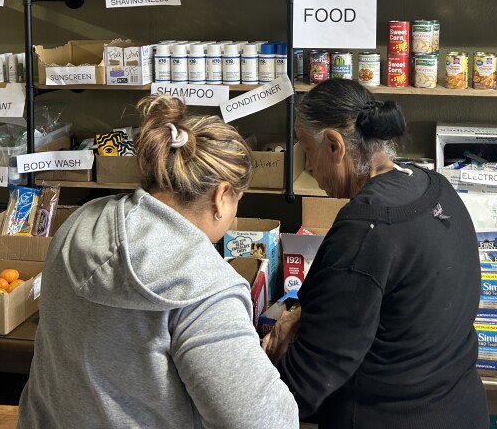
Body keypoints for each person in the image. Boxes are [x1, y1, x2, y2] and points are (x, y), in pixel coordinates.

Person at [18, 95, 298, 429]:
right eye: (237, 199)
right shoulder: (207, 287)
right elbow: (264, 422)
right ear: (221, 197)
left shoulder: (81, 223)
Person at [264, 78, 488, 429]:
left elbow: (311, 377)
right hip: (460, 407)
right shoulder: (434, 186)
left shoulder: (365, 227)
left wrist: (260, 387)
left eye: (308, 150)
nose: (309, 166)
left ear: (335, 146)